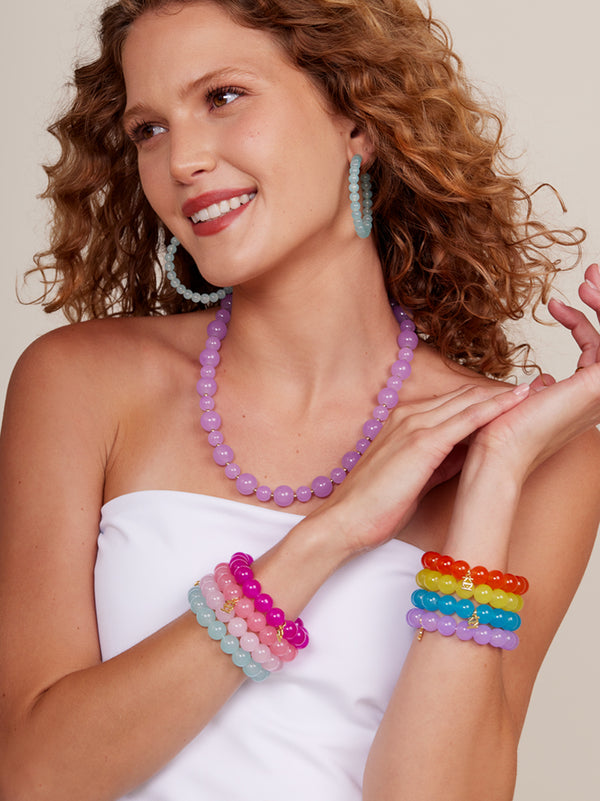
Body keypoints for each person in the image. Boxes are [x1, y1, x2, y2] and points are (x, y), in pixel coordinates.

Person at [1, 1, 599, 799]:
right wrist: (331, 534)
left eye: (222, 96)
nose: (182, 159)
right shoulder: (80, 382)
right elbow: (35, 774)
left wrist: (493, 476)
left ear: (358, 119)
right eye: (150, 129)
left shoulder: (540, 455)